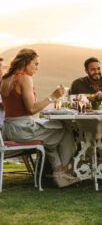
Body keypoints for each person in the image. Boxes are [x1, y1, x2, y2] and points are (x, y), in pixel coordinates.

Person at [0, 49, 79, 188]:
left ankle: (58, 171)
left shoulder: (6, 79)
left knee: (49, 135)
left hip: (8, 129)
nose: (37, 68)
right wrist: (53, 97)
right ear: (25, 63)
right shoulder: (24, 78)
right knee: (65, 130)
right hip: (22, 130)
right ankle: (62, 172)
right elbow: (31, 109)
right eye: (35, 64)